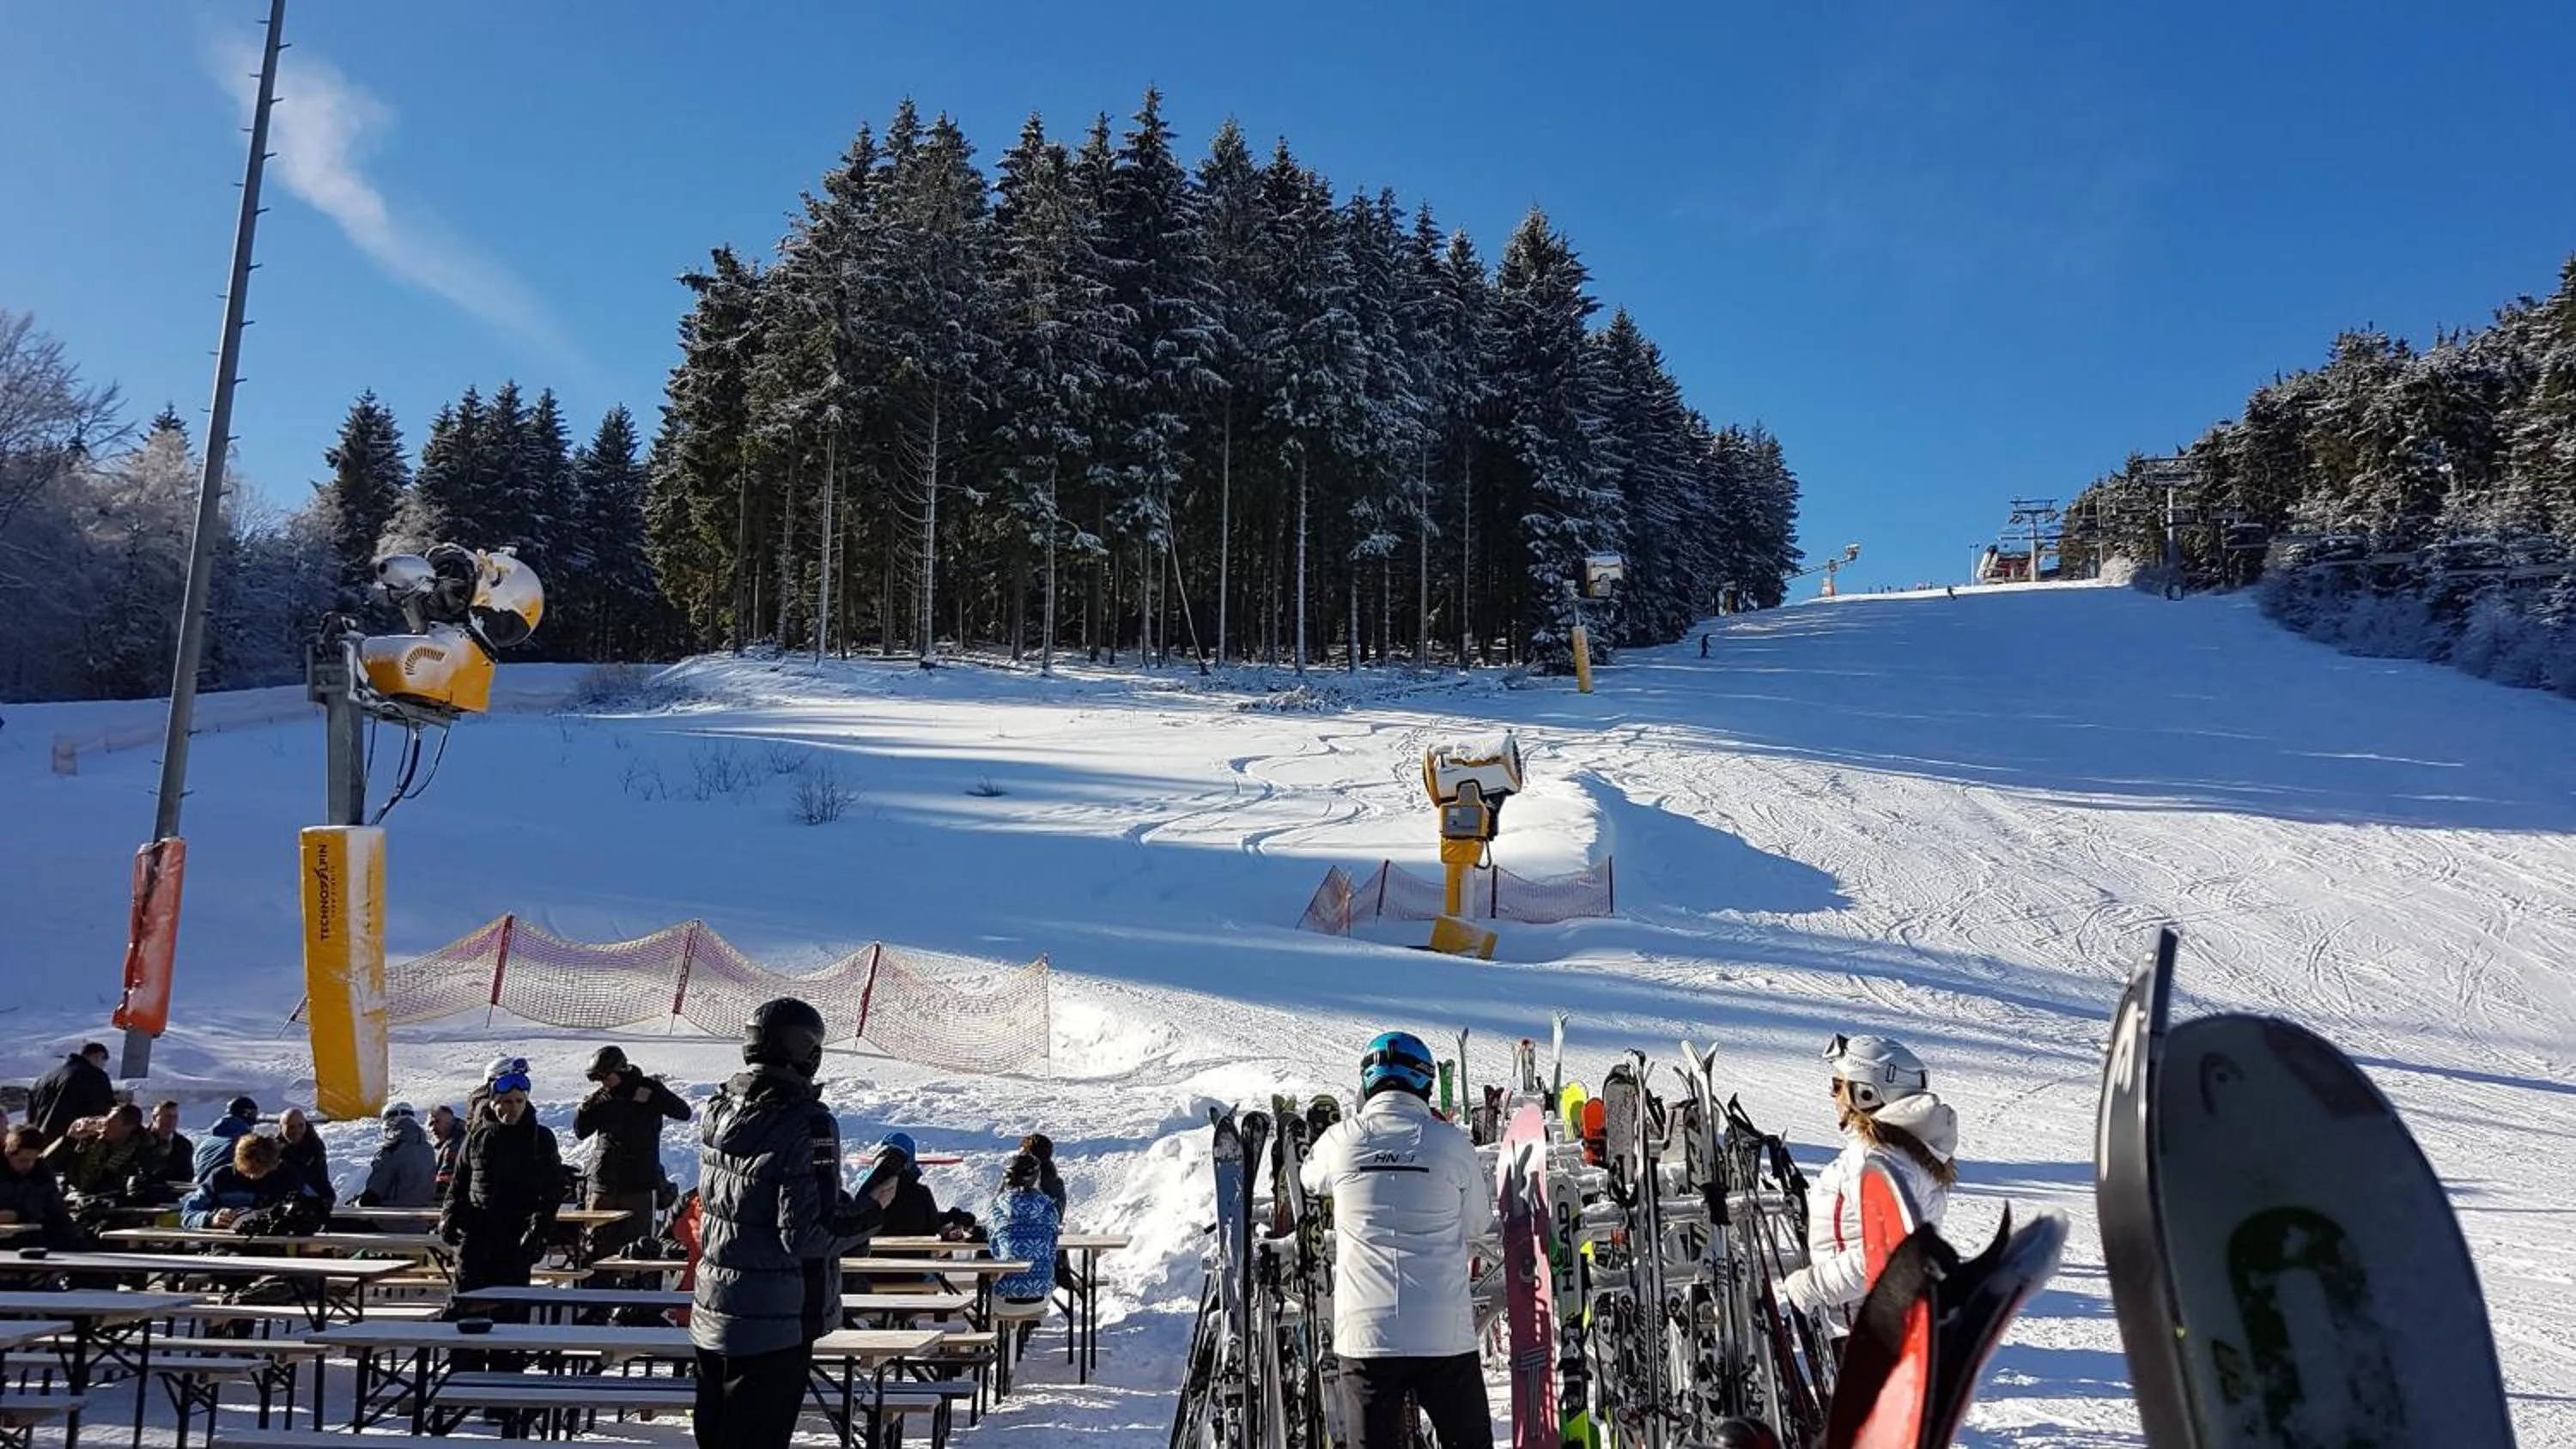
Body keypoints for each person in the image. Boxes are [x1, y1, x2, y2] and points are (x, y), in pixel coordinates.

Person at [691, 997, 898, 1449]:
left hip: (716, 1306)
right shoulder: (807, 1121)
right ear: (807, 1051)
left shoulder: (720, 1109)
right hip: (776, 1317)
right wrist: (872, 1212)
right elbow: (807, 1233)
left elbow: (755, 1198)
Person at [1300, 1030, 1494, 1449]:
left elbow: (1309, 1178)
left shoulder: (1342, 1140)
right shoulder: (1451, 1142)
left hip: (1366, 1335)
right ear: (1424, 1082)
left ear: (1367, 1082)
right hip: (1444, 1332)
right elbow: (1478, 1225)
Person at [1779, 1034, 1959, 1334]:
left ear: (1866, 1094)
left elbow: (1883, 1254)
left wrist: (1808, 1287)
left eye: (1839, 1086)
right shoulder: (1903, 1155)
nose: (1832, 1095)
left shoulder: (1875, 1160)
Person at [439, 1064, 565, 1314]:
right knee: (464, 1306)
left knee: (509, 1310)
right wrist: (449, 1217)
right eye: (506, 1102)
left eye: (519, 1101)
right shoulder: (477, 1138)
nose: (513, 1108)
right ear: (493, 1103)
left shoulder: (541, 1138)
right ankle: (462, 1353)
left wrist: (538, 1231)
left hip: (516, 1238)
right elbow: (459, 1183)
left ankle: (506, 1354)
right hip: (475, 1236)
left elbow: (552, 1192)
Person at [572, 1044, 692, 1268]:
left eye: (606, 1077)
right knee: (596, 1251)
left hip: (639, 1185)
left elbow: (684, 1112)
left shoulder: (647, 1089)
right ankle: (596, 1300)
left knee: (639, 1252)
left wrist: (654, 1098)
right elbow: (581, 1132)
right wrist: (584, 1109)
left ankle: (637, 1298)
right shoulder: (602, 1097)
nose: (603, 1083)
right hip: (603, 1184)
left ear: (621, 1070)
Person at [987, 1151, 1062, 1353]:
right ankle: (1008, 1361)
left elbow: (994, 1248)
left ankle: (988, 1357)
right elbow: (1052, 1248)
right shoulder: (1048, 1209)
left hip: (1003, 1298)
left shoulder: (997, 1208)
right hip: (1041, 1295)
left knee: (981, 1306)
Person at [181, 1131, 304, 1229]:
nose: (253, 1177)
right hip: (227, 1244)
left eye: (261, 1171)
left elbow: (305, 1209)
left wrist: (272, 1213)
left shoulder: (286, 1177)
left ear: (273, 1165)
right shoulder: (220, 1177)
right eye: (248, 1171)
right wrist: (210, 1218)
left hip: (274, 1242)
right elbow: (188, 1213)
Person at [869, 1132, 977, 1241]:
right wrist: (954, 1217)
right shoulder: (920, 1194)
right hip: (913, 1257)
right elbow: (932, 1227)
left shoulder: (867, 1194)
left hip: (870, 1256)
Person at [0, 1126, 87, 1247]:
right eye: (23, 1160)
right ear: (8, 1153)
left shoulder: (41, 1173)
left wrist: (18, 1215)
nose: (29, 1165)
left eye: (33, 1160)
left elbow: (53, 1210)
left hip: (42, 1237)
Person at [44, 1103, 146, 1199]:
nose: (105, 1125)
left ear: (129, 1128)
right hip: (75, 1199)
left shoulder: (141, 1151)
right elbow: (47, 1164)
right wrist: (69, 1140)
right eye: (106, 1120)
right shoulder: (88, 1141)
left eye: (111, 1122)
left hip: (114, 1206)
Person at [355, 1101, 438, 1208]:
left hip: (392, 1216)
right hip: (422, 1218)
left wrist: (357, 1202)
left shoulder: (392, 1149)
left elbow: (374, 1193)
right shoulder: (428, 1149)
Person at [27, 1042, 115, 1138]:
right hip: (73, 1140)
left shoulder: (45, 1078)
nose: (103, 1066)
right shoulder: (94, 1076)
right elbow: (104, 1109)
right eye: (104, 1061)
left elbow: (31, 1113)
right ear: (98, 1055)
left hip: (40, 1140)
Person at [192, 1097, 261, 1183]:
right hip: (228, 1191)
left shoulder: (205, 1143)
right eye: (253, 1114)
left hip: (200, 1189)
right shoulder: (244, 1145)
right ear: (247, 1114)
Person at [277, 1107, 336, 1206]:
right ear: (281, 1128)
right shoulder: (274, 1150)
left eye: (301, 1125)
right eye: (291, 1127)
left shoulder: (315, 1147)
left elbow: (321, 1178)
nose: (297, 1131)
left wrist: (327, 1197)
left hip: (309, 1197)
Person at [136, 1100, 197, 1189]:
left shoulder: (184, 1145)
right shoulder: (138, 1139)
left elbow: (186, 1178)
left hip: (170, 1195)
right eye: (167, 1116)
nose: (171, 1121)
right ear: (154, 1118)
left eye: (174, 1117)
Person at [467, 1056, 526, 1131]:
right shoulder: (480, 1135)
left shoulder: (540, 1135)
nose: (515, 1108)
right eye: (507, 1102)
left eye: (519, 1101)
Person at [429, 1104, 465, 1198]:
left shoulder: (454, 1145)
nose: (433, 1128)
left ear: (449, 1121)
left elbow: (445, 1182)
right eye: (431, 1124)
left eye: (437, 1122)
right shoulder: (450, 1141)